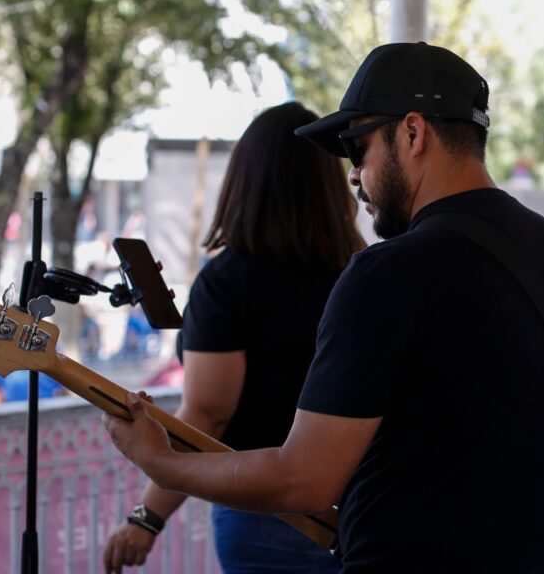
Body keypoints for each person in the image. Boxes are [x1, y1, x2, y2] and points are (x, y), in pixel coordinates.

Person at [104, 42, 544, 572]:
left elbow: (306, 479)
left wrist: (161, 463)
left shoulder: (387, 274)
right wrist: (511, 512)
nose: (354, 175)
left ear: (412, 132)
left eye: (357, 148)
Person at [102, 102, 365, 573]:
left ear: (245, 179)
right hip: (362, 511)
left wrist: (147, 518)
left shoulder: (227, 283)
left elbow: (208, 414)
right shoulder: (362, 274)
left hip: (266, 514)